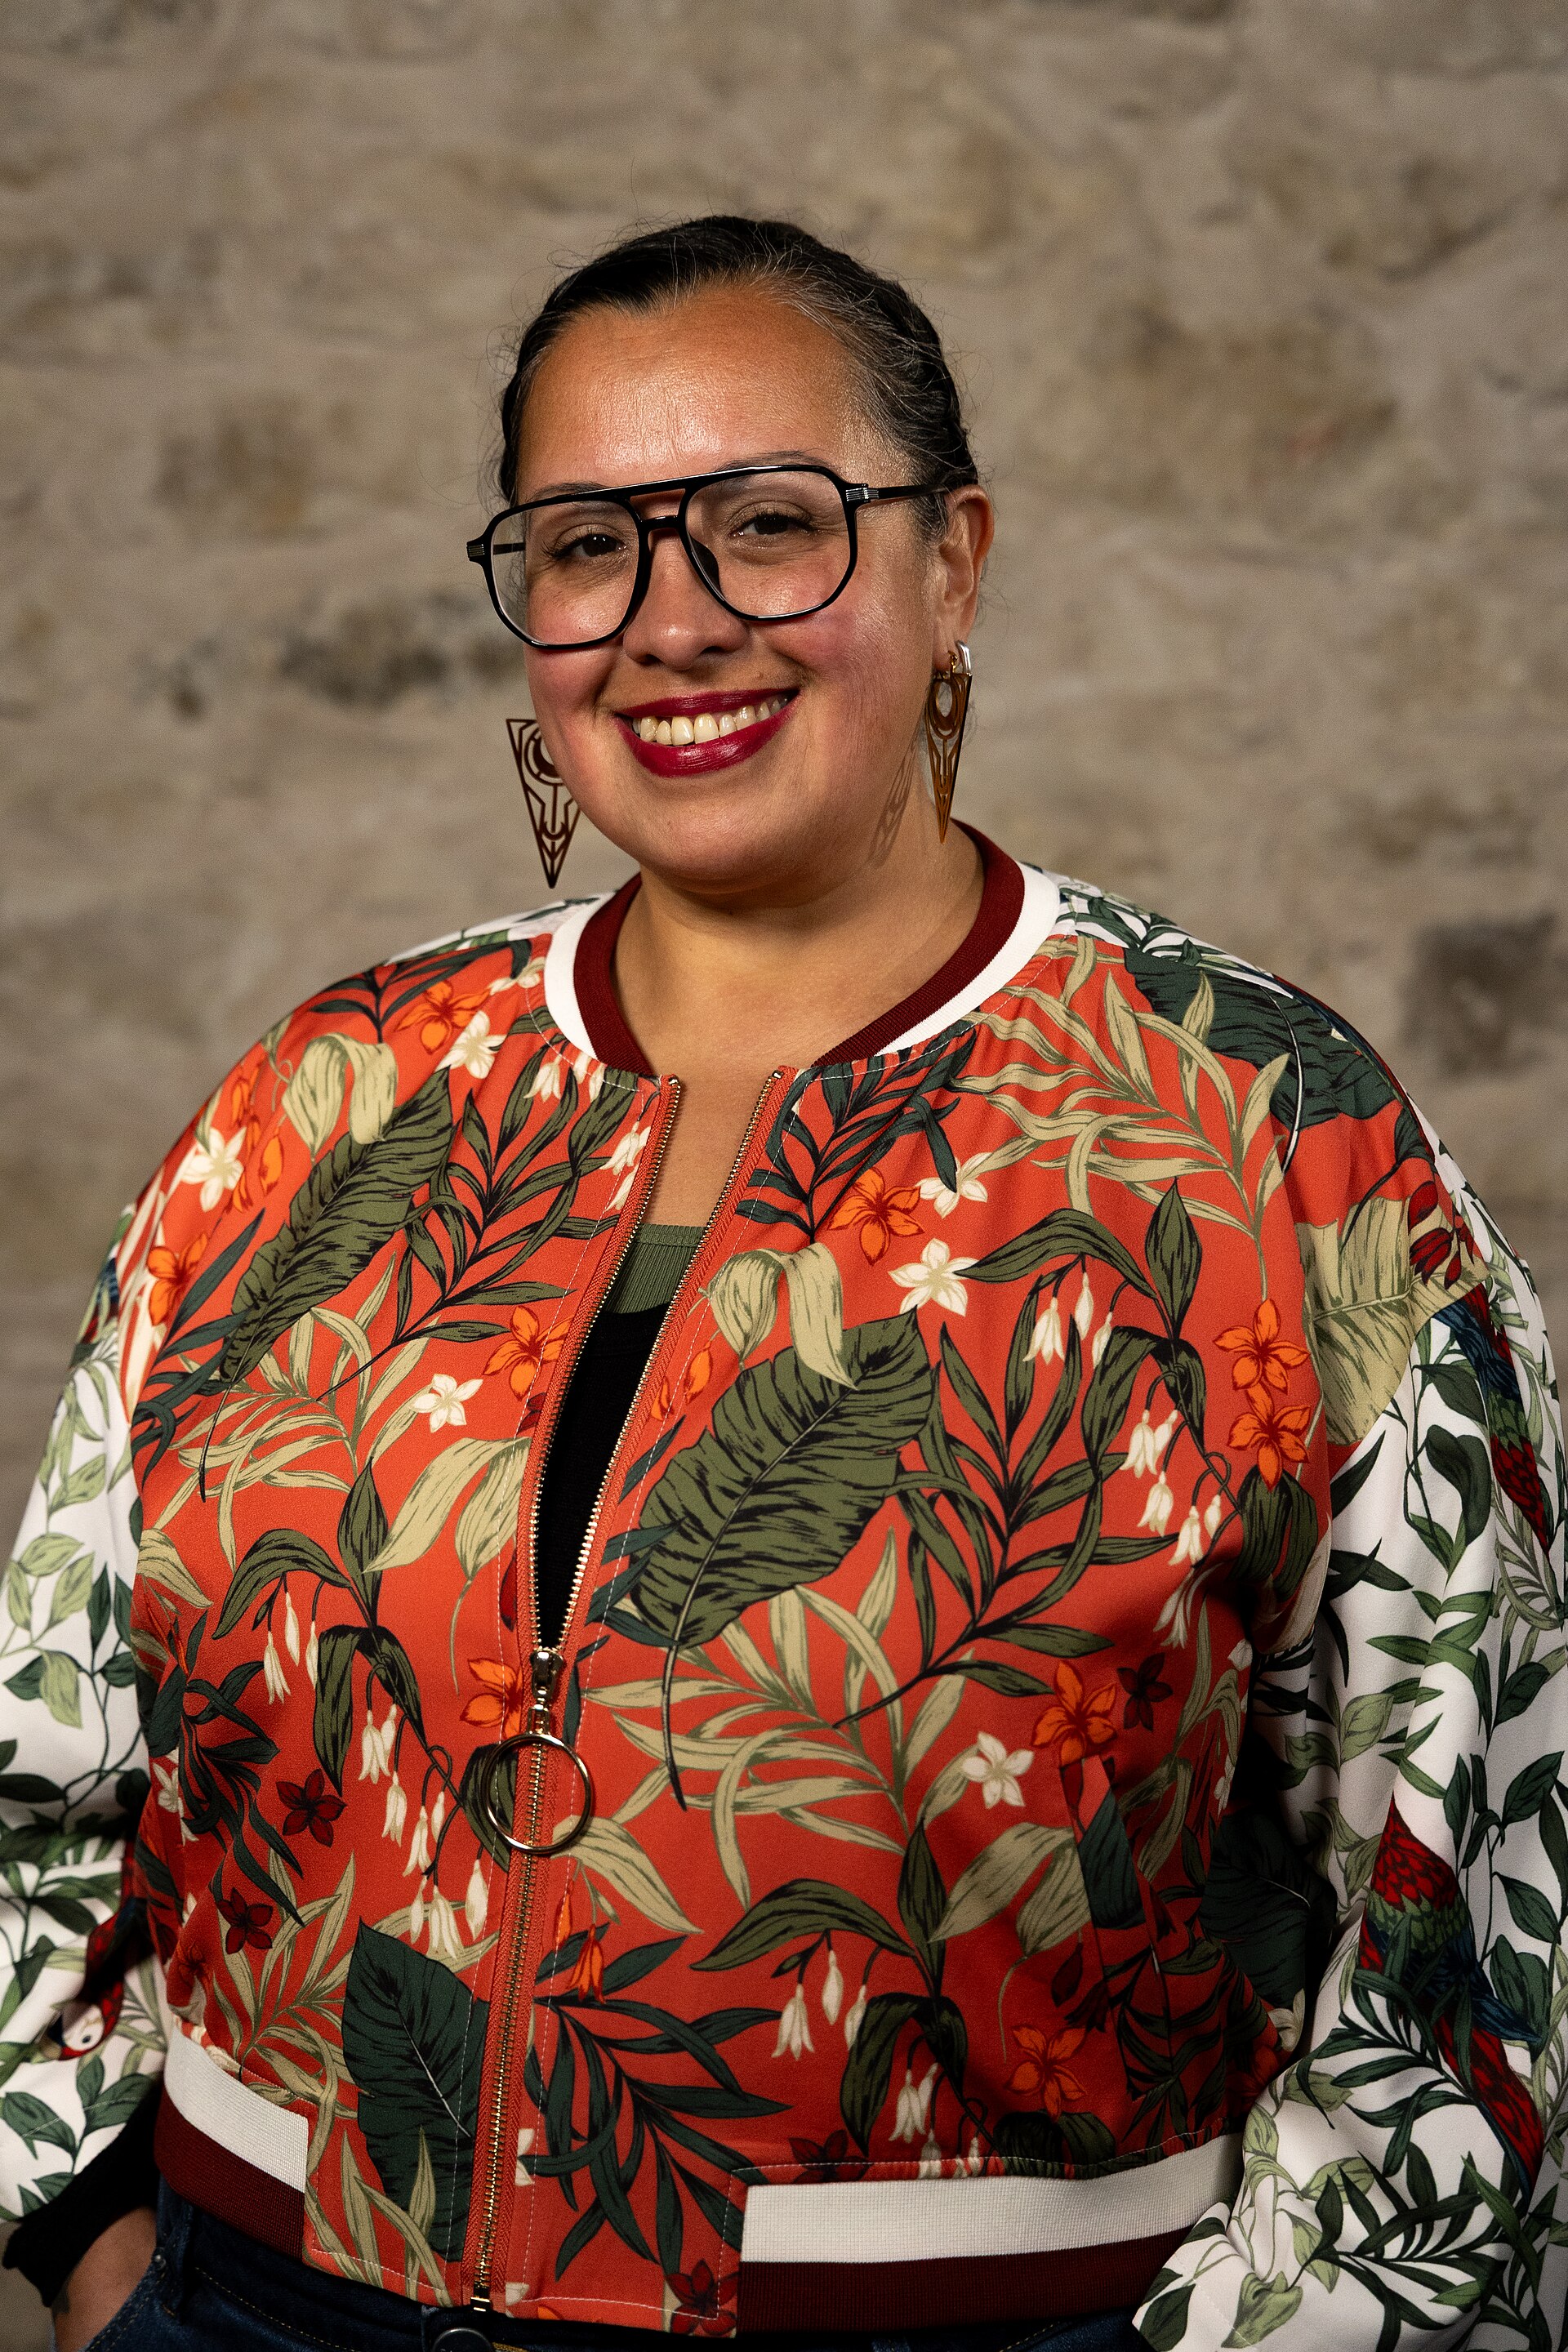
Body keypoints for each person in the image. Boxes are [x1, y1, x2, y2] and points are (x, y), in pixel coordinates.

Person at [2, 216, 1562, 2352]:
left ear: (956, 567)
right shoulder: (327, 1102)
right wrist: (95, 2239)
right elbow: (50, 1749)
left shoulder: (1268, 1132)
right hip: (253, 2303)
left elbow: (1476, 1899)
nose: (673, 622)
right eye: (584, 546)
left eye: (767, 525)